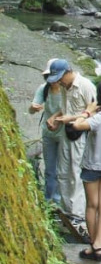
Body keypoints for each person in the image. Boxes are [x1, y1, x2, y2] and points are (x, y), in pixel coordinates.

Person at [60, 77, 101, 262]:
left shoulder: (99, 117)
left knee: (92, 205)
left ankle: (94, 245)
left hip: (93, 165)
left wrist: (87, 112)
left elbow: (77, 126)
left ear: (100, 95)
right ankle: (100, 243)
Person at [42, 58, 97, 229]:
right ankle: (66, 212)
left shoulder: (86, 86)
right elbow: (65, 109)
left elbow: (94, 112)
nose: (58, 82)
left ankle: (78, 215)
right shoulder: (66, 88)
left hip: (80, 135)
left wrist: (71, 118)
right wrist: (55, 118)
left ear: (68, 72)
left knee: (75, 173)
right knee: (62, 172)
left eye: (60, 78)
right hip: (66, 134)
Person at [28, 58, 65, 204]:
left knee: (63, 170)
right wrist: (33, 108)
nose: (52, 81)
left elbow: (73, 109)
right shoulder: (43, 89)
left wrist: (56, 118)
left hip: (64, 135)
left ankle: (60, 201)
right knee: (50, 169)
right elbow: (31, 109)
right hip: (48, 134)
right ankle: (49, 200)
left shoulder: (66, 90)